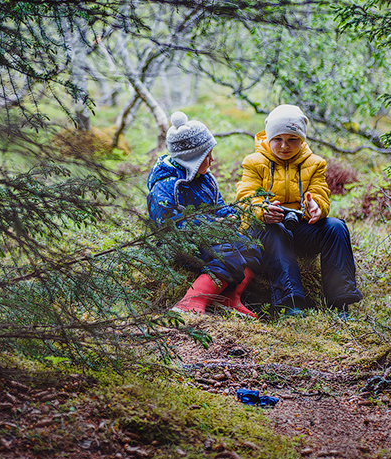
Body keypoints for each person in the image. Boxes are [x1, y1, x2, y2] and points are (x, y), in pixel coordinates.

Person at [235, 104, 362, 317]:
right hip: (266, 232)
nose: (284, 146)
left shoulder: (315, 164)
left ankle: (340, 301)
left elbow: (320, 193)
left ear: (302, 139)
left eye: (292, 139)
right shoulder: (254, 162)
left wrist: (317, 208)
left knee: (336, 227)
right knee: (276, 231)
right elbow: (245, 198)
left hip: (300, 228)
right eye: (277, 139)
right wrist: (263, 211)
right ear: (268, 137)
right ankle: (289, 303)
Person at [147, 111, 261, 318]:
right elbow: (167, 224)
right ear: (192, 157)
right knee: (227, 254)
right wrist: (212, 225)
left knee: (252, 247)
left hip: (209, 237)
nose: (212, 159)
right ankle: (190, 302)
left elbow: (218, 205)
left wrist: (228, 215)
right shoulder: (165, 186)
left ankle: (229, 298)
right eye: (207, 155)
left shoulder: (205, 180)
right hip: (179, 244)